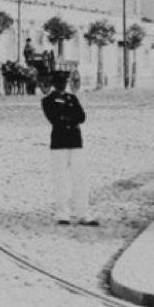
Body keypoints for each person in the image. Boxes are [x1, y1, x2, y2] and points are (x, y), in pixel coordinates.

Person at [41, 70, 97, 226]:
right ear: (54, 84)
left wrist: (66, 117)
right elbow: (55, 119)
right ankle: (62, 214)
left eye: (64, 82)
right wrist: (70, 118)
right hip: (59, 143)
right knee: (60, 179)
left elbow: (82, 117)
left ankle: (83, 214)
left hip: (75, 142)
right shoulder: (47, 100)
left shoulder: (72, 98)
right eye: (59, 82)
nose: (62, 84)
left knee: (80, 179)